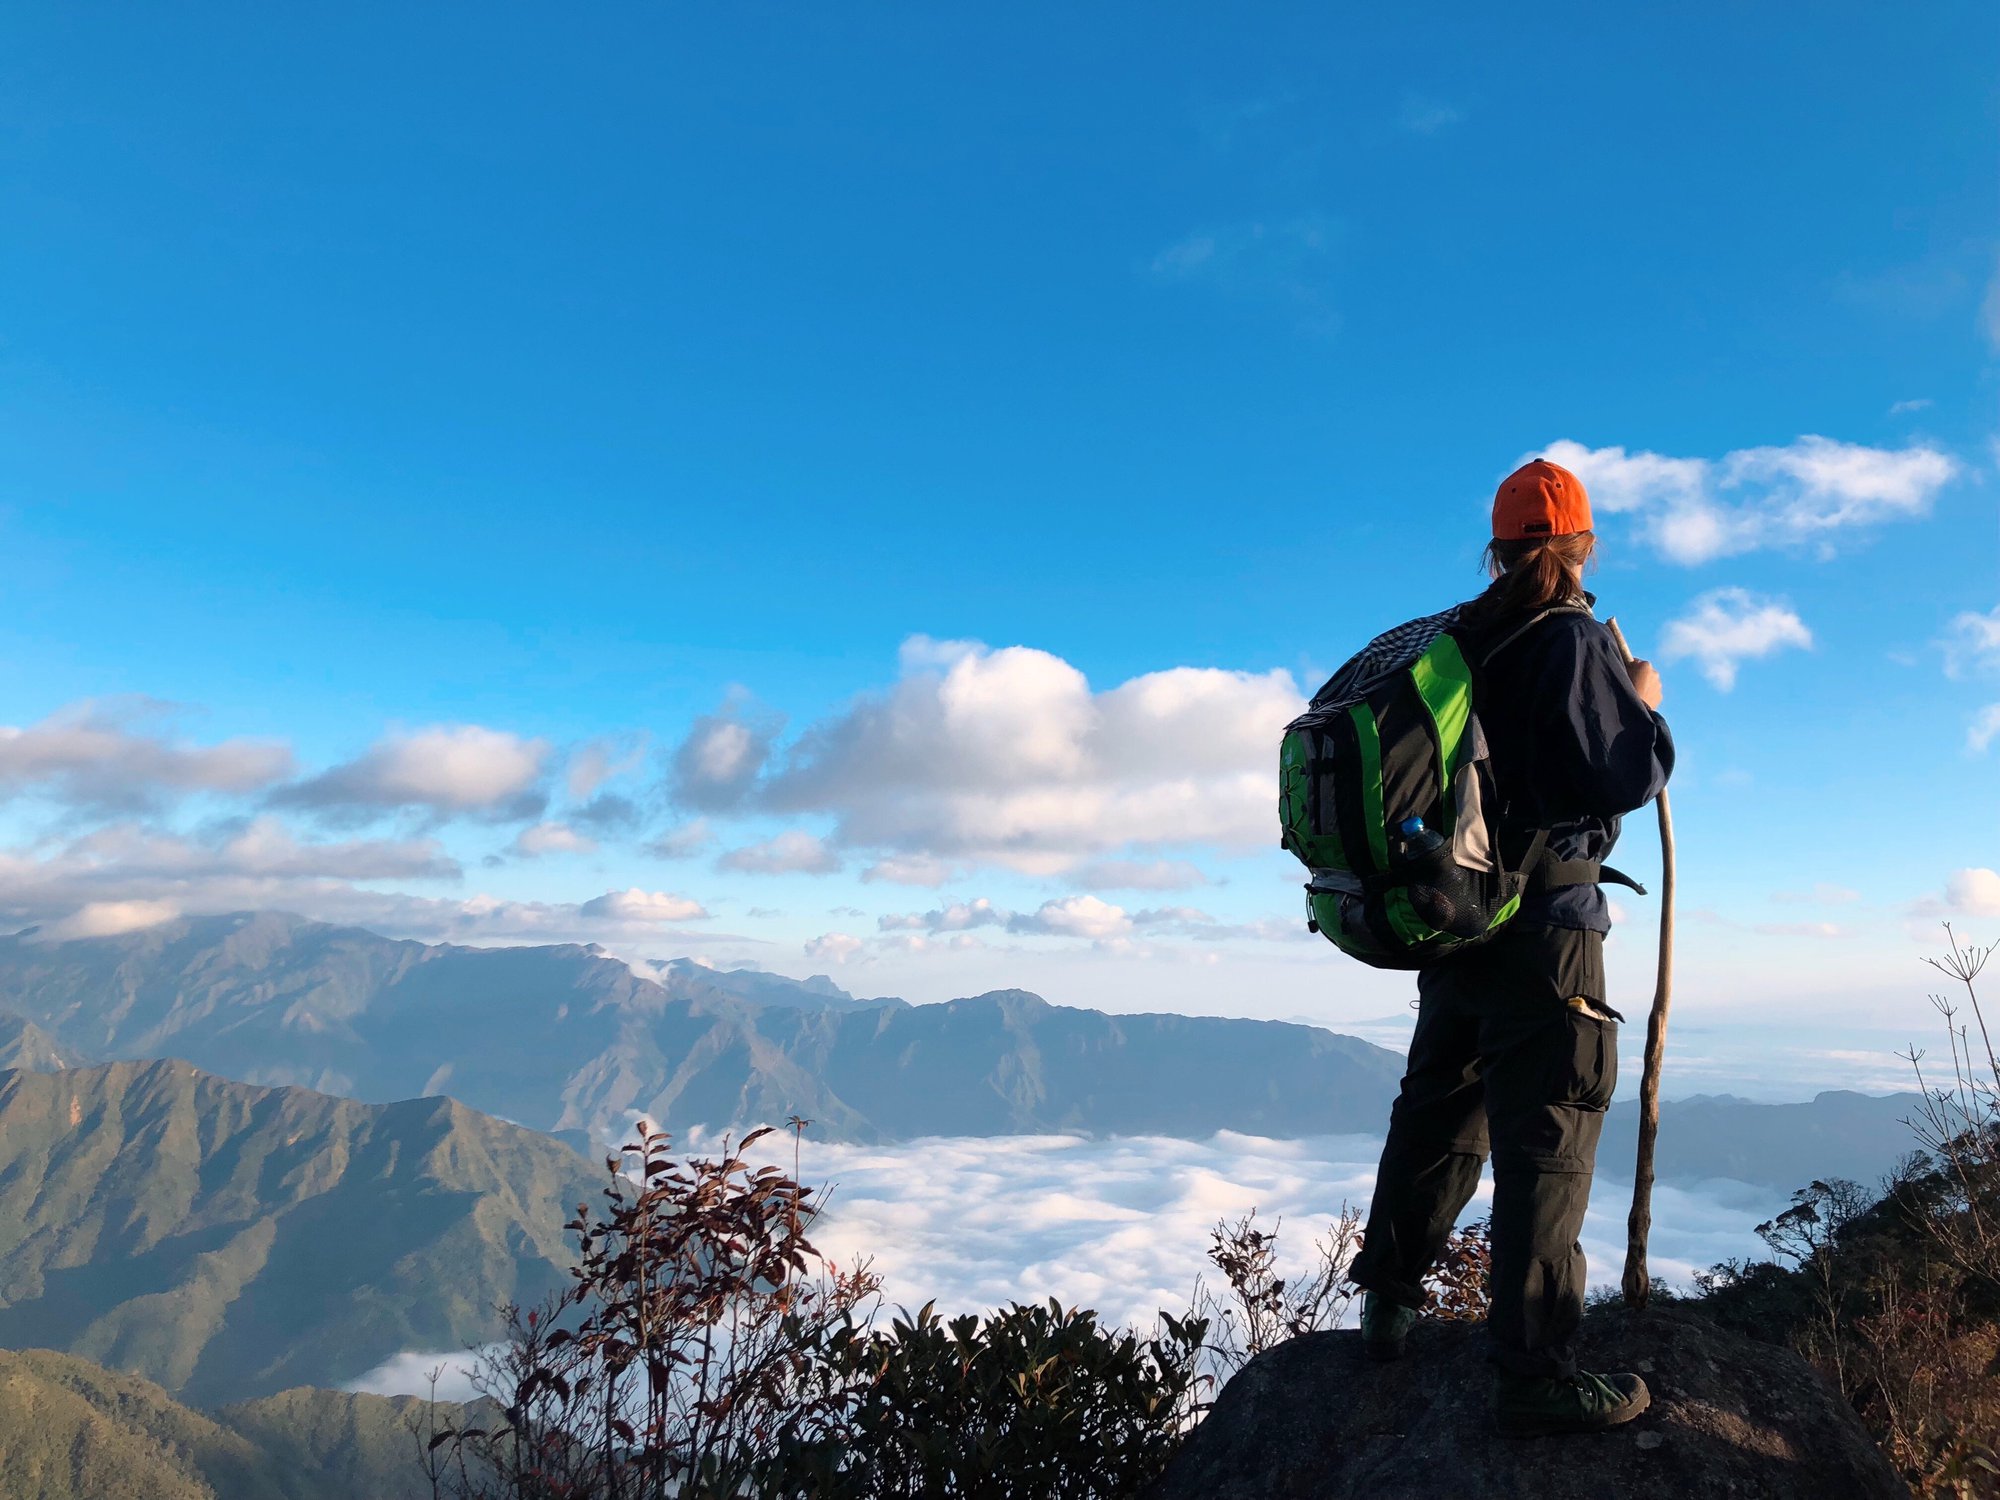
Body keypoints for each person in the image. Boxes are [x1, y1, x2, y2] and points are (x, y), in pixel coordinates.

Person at [1344, 458, 1674, 1438]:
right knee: (1550, 1135)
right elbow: (1617, 773)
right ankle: (1533, 1369)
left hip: (1454, 915)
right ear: (1579, 546)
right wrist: (1644, 703)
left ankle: (1387, 1304)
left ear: (1498, 546)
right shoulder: (1568, 636)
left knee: (1439, 1105)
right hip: (1546, 929)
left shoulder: (1457, 636)